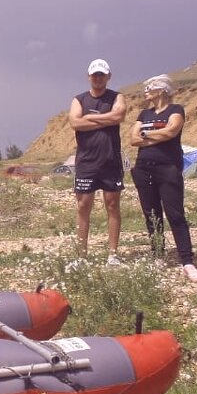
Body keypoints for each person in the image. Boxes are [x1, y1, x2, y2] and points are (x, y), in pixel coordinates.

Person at [129, 74, 197, 282]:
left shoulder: (176, 110)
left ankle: (187, 261)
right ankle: (158, 255)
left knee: (175, 214)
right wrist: (155, 135)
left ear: (162, 90)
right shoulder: (144, 113)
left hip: (168, 168)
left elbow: (171, 131)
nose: (146, 91)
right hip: (144, 168)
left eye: (150, 88)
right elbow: (133, 139)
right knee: (152, 215)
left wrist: (146, 135)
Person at [68, 59, 127, 263]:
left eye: (102, 74)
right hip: (86, 162)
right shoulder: (79, 99)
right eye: (95, 75)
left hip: (111, 161)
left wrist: (90, 119)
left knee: (112, 205)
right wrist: (105, 118)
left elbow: (119, 116)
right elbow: (75, 122)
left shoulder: (116, 96)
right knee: (83, 206)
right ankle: (81, 256)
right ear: (89, 76)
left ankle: (113, 255)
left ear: (108, 76)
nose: (98, 78)